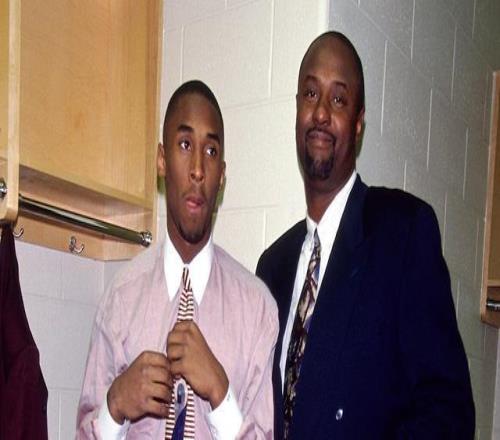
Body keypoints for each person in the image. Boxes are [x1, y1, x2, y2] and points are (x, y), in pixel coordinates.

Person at [256, 31, 475, 439]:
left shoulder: (403, 232)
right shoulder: (272, 266)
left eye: (338, 99)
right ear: (297, 109)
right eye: (310, 94)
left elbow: (448, 412)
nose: (321, 113)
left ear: (358, 123)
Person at [77, 80, 278, 439]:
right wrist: (115, 405)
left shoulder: (257, 311)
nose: (198, 168)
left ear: (222, 175)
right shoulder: (120, 301)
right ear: (162, 160)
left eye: (211, 151)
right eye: (185, 145)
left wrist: (220, 394)